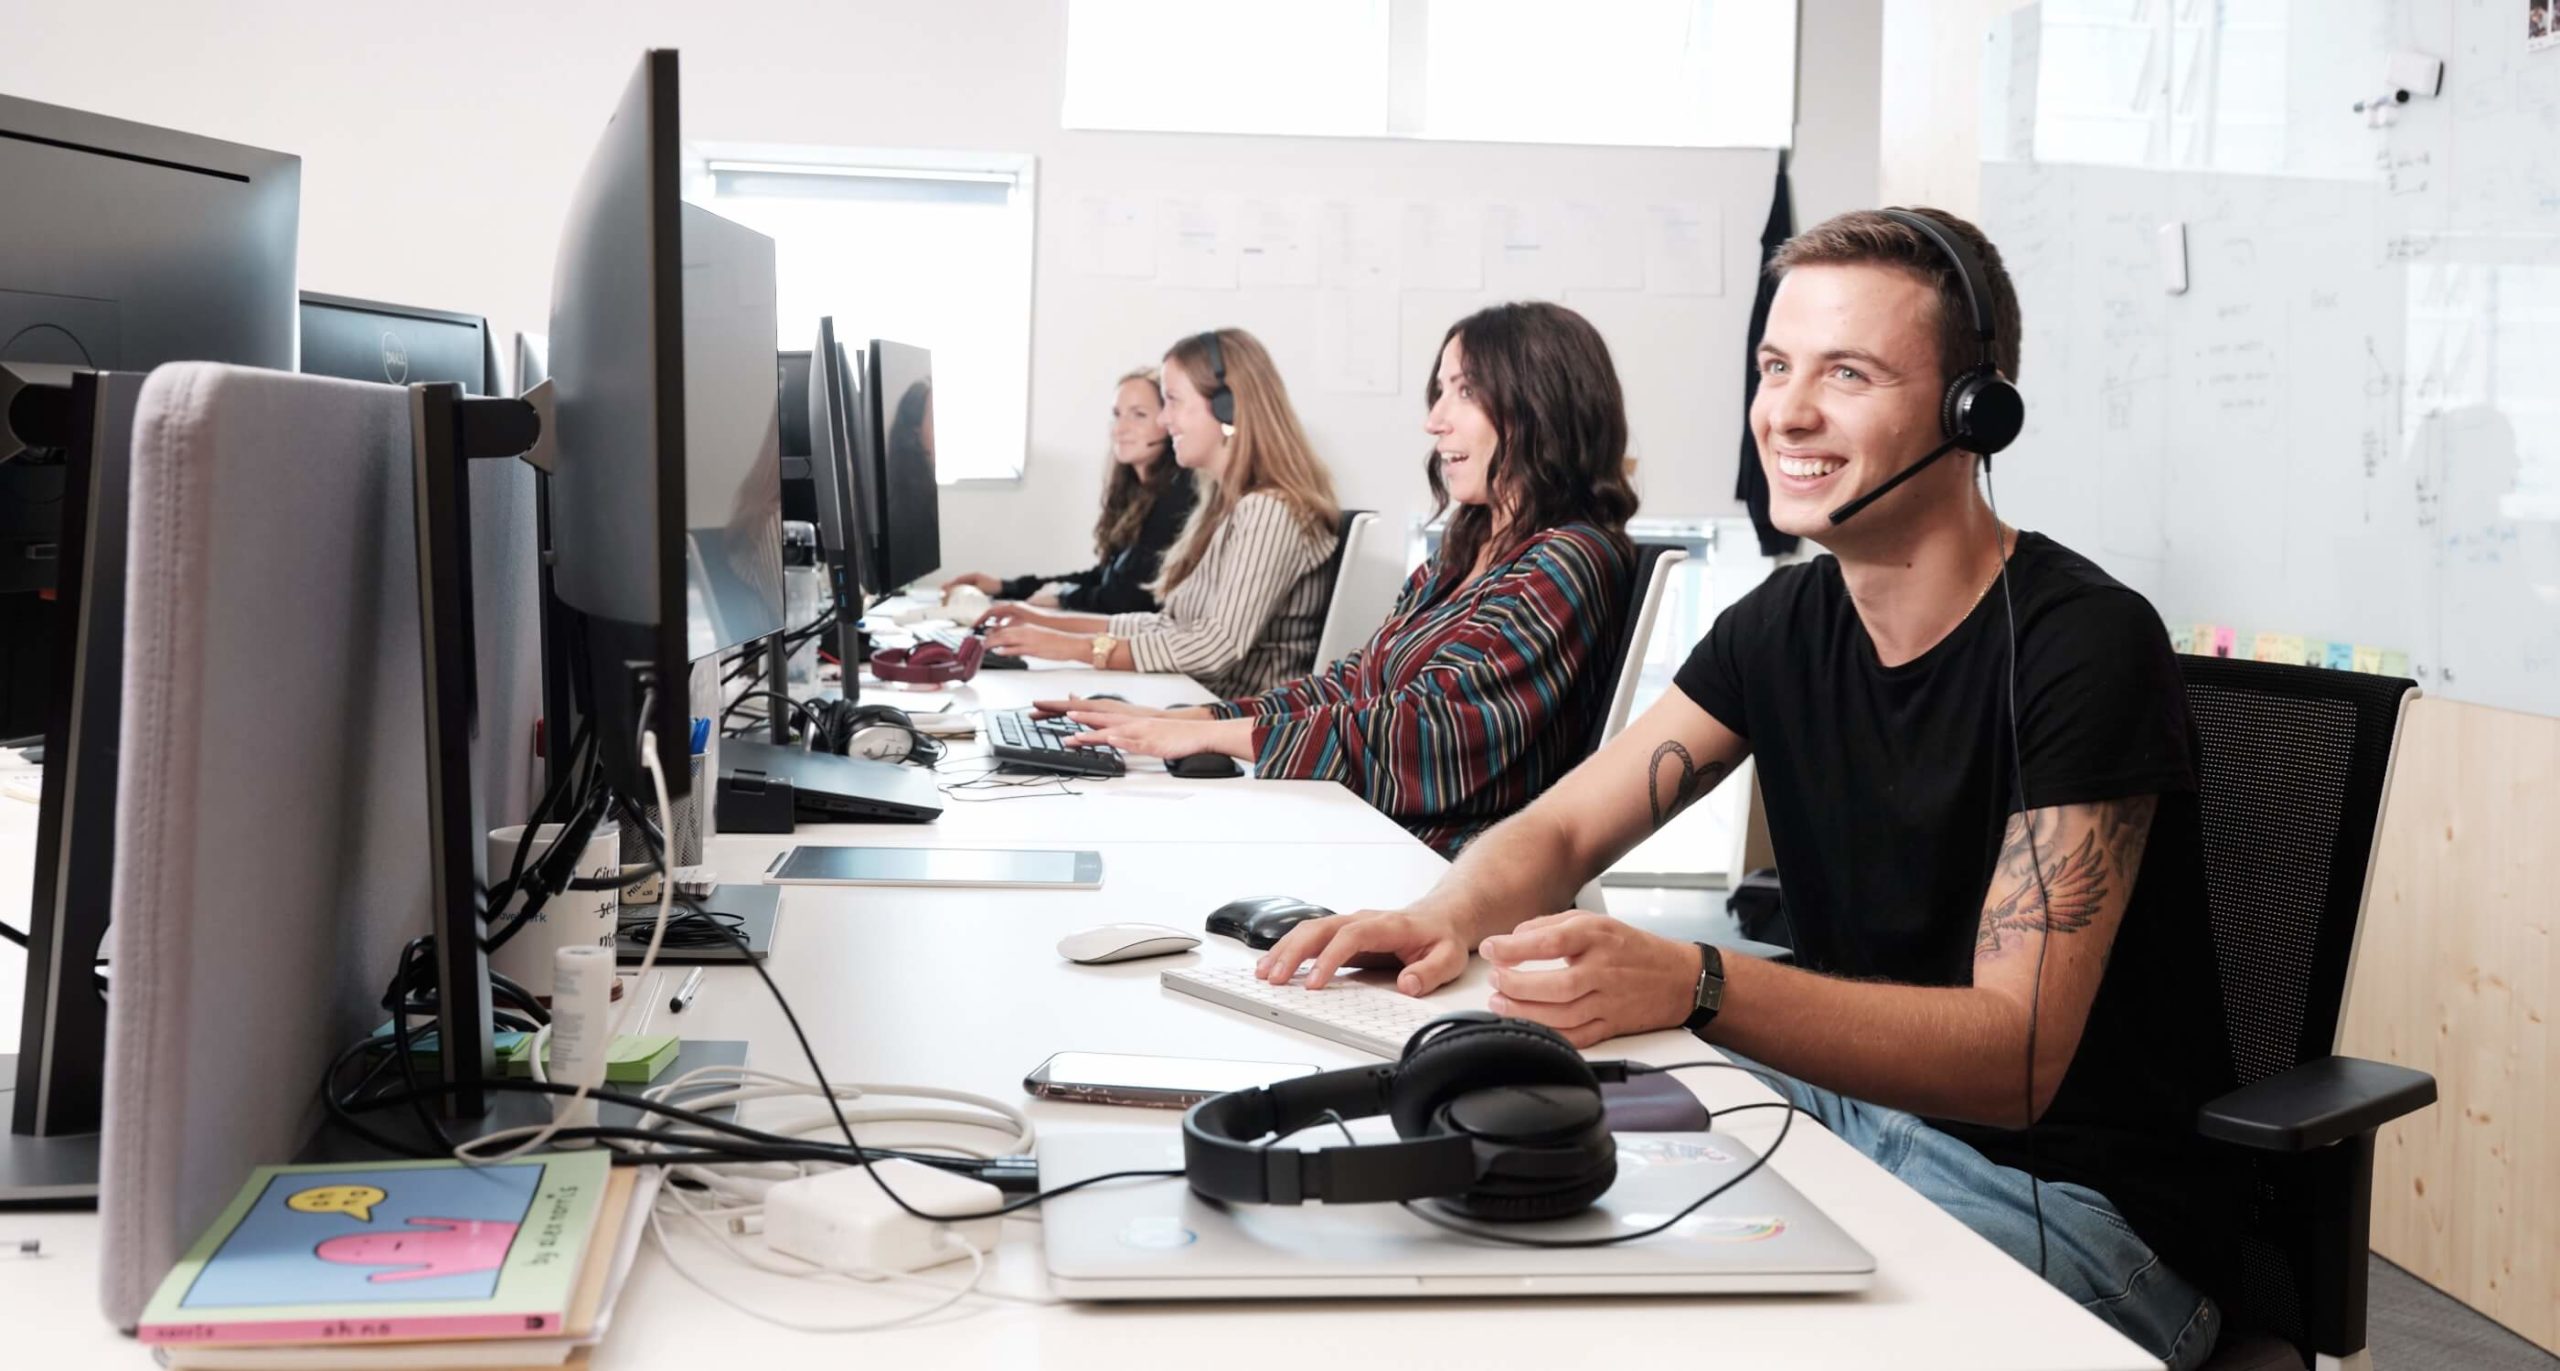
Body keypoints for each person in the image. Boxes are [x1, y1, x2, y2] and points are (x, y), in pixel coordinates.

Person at [1257, 209, 2239, 1370]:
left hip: (2083, 1215)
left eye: (1848, 374)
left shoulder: (2088, 647)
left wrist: (1698, 980)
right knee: (1496, 1209)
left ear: (1977, 411)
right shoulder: (1784, 624)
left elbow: (2011, 1057)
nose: (1787, 413)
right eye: (1776, 368)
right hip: (1851, 1122)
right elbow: (1568, 823)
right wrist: (1437, 918)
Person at [1050, 302, 1638, 858]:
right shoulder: (1461, 554)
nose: (1435, 420)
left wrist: (1219, 736)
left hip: (1432, 864)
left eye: (1465, 391)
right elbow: (1356, 683)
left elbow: (1429, 738)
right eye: (1440, 391)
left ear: (1540, 405)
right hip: (1363, 823)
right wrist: (1197, 721)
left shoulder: (1566, 560)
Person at [978, 329, 1340, 697]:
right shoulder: (1224, 505)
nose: (1164, 421)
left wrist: (1071, 648)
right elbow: (1172, 626)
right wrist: (1049, 626)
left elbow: (1214, 647)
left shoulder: (1268, 510)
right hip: (1192, 702)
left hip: (1233, 720)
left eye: (1173, 401)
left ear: (1227, 406)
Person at [940, 368, 1198, 613]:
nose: (1120, 428)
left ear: (1168, 421)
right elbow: (1103, 578)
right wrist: (1004, 587)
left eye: (1138, 415)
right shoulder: (1138, 496)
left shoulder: (1177, 496)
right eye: (1117, 414)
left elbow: (1126, 597)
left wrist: (1063, 598)